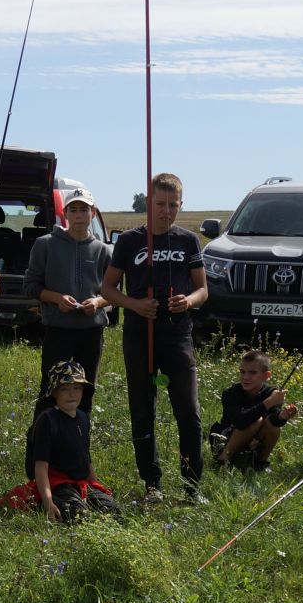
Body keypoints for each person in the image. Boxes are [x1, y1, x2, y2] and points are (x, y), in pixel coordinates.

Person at [101, 171, 208, 503]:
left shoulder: (188, 241)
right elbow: (106, 289)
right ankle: (153, 484)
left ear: (181, 204)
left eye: (173, 205)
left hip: (177, 337)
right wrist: (135, 304)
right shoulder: (130, 241)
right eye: (160, 204)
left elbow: (203, 289)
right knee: (143, 410)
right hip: (139, 335)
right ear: (150, 203)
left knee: (188, 412)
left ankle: (192, 487)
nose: (166, 211)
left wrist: (187, 301)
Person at [23, 185, 111, 415]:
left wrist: (98, 303)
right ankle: (41, 443)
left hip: (91, 331)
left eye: (85, 209)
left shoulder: (103, 251)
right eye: (74, 209)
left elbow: (113, 293)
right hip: (58, 328)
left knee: (86, 388)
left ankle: (79, 444)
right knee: (50, 388)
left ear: (93, 213)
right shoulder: (46, 244)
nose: (79, 215)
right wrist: (57, 298)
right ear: (65, 213)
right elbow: (30, 285)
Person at [0, 361, 117, 522]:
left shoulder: (83, 418)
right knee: (78, 516)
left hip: (80, 483)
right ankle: (42, 504)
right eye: (65, 389)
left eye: (77, 388)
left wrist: (95, 487)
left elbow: (85, 457)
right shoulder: (48, 421)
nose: (72, 394)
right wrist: (48, 503)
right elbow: (40, 468)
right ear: (54, 392)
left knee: (114, 511)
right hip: (57, 484)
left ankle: (85, 501)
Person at [211, 350, 298, 471]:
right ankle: (222, 460)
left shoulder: (271, 393)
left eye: (252, 373)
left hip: (253, 440)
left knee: (274, 428)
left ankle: (260, 463)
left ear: (266, 375)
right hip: (227, 439)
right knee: (255, 421)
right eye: (242, 372)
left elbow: (273, 421)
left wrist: (282, 416)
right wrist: (269, 402)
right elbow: (239, 422)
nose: (246, 377)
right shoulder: (230, 393)